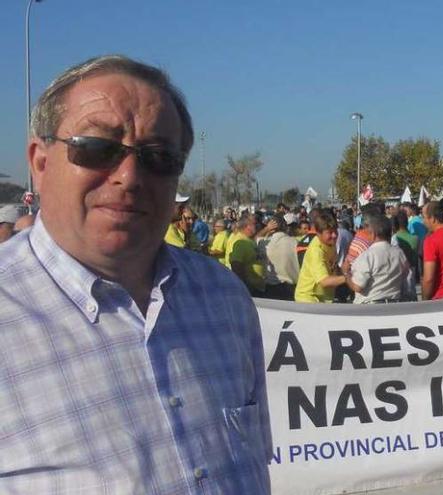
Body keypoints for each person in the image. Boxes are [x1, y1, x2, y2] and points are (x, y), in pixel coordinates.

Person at [0, 55, 270, 493]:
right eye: (96, 148)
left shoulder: (225, 298)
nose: (129, 176)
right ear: (41, 161)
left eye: (158, 157)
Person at [347, 215, 412, 303]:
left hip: (370, 306)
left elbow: (357, 287)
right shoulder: (399, 253)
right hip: (394, 304)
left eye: (368, 233)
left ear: (373, 234)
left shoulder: (367, 256)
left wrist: (346, 274)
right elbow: (405, 275)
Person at [295, 209, 347, 303]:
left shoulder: (330, 243)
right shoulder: (316, 251)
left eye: (335, 231)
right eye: (330, 232)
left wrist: (346, 270)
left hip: (324, 298)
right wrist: (348, 278)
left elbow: (333, 267)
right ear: (318, 233)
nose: (334, 235)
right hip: (309, 299)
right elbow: (324, 281)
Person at [260, 214, 299, 300]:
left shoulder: (263, 243)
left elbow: (255, 239)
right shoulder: (296, 242)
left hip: (271, 288)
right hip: (292, 288)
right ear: (285, 227)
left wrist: (266, 229)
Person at [228, 214, 266, 297]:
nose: (256, 226)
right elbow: (236, 265)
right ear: (248, 227)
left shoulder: (248, 240)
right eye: (254, 224)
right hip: (250, 289)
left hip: (257, 287)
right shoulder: (240, 242)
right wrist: (244, 287)